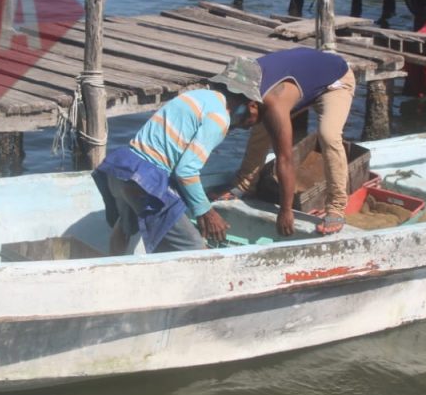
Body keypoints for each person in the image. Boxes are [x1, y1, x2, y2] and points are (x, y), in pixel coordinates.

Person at [92, 62, 261, 255]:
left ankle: (112, 274)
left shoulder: (195, 96)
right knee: (193, 247)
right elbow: (186, 171)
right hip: (146, 181)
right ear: (249, 102)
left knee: (125, 228)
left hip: (121, 169)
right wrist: (206, 212)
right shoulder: (219, 118)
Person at [220, 47, 355, 236]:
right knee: (260, 127)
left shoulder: (273, 103)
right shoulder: (235, 85)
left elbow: (285, 159)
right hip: (305, 78)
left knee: (328, 135)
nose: (242, 126)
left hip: (335, 80)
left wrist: (285, 209)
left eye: (242, 119)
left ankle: (337, 205)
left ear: (253, 104)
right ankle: (245, 184)